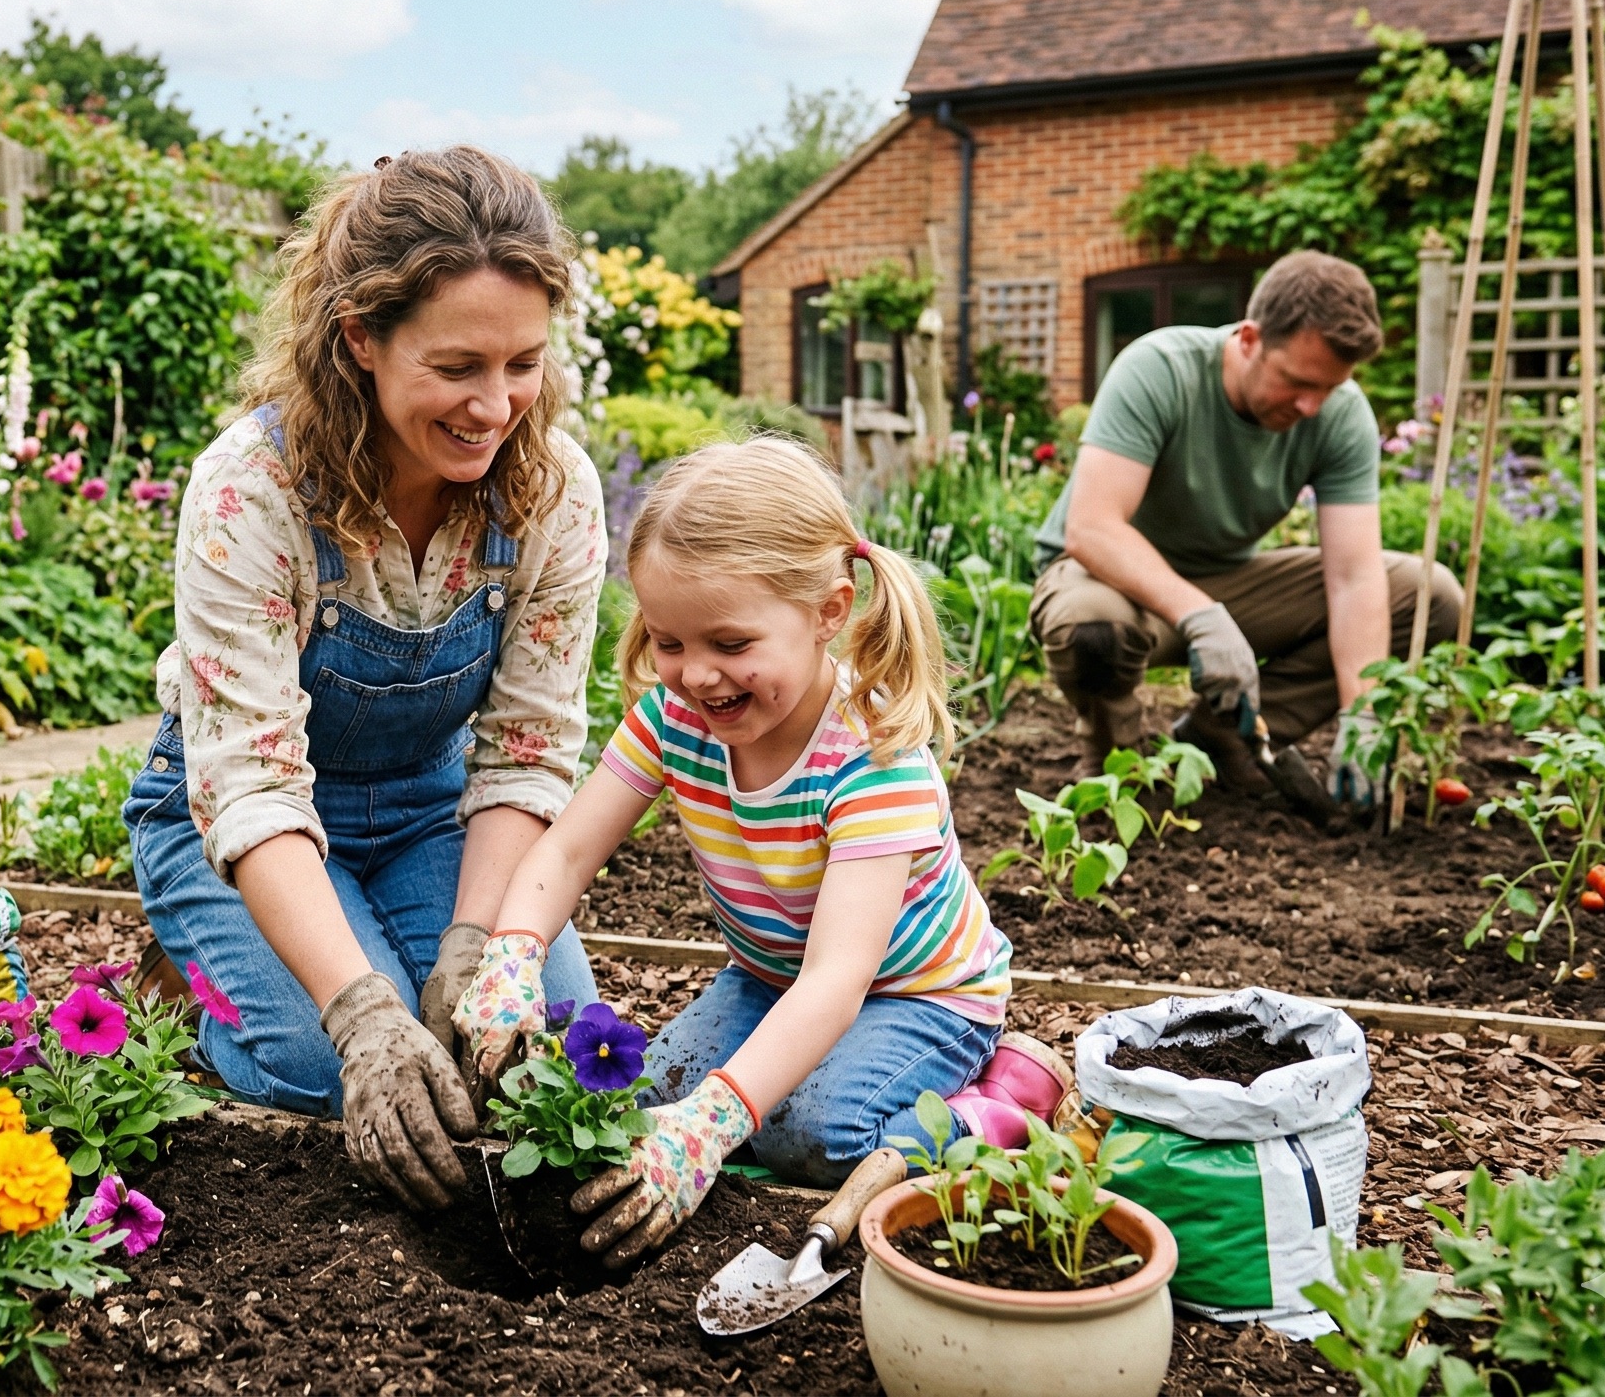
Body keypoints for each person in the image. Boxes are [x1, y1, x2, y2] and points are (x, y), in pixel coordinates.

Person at [122, 146, 605, 1211]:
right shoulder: (252, 490)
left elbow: (526, 747)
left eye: (521, 363)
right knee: (329, 1071)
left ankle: (385, 954)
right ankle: (196, 983)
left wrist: (478, 945)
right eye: (455, 367)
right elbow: (247, 784)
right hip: (234, 821)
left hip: (435, 811)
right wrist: (363, 1018)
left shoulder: (551, 491)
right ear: (359, 340)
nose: (495, 406)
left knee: (534, 1059)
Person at [450, 437, 1068, 1268]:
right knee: (648, 1099)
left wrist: (715, 1124)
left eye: (731, 645)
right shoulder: (678, 723)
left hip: (921, 994)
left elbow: (838, 980)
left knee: (810, 1136)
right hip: (773, 977)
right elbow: (564, 856)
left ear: (828, 611)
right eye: (669, 642)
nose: (698, 676)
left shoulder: (870, 758)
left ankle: (1001, 1104)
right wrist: (513, 955)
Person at [1030, 250, 1461, 810]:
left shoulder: (1340, 413)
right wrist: (1198, 613)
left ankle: (1222, 742)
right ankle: (1121, 766)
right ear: (1250, 338)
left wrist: (1365, 711)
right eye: (1297, 382)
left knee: (1430, 595)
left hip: (1230, 580)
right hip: (1108, 582)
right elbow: (1092, 529)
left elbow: (1355, 575)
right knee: (1091, 629)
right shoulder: (1160, 368)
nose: (1312, 406)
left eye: (1328, 389)